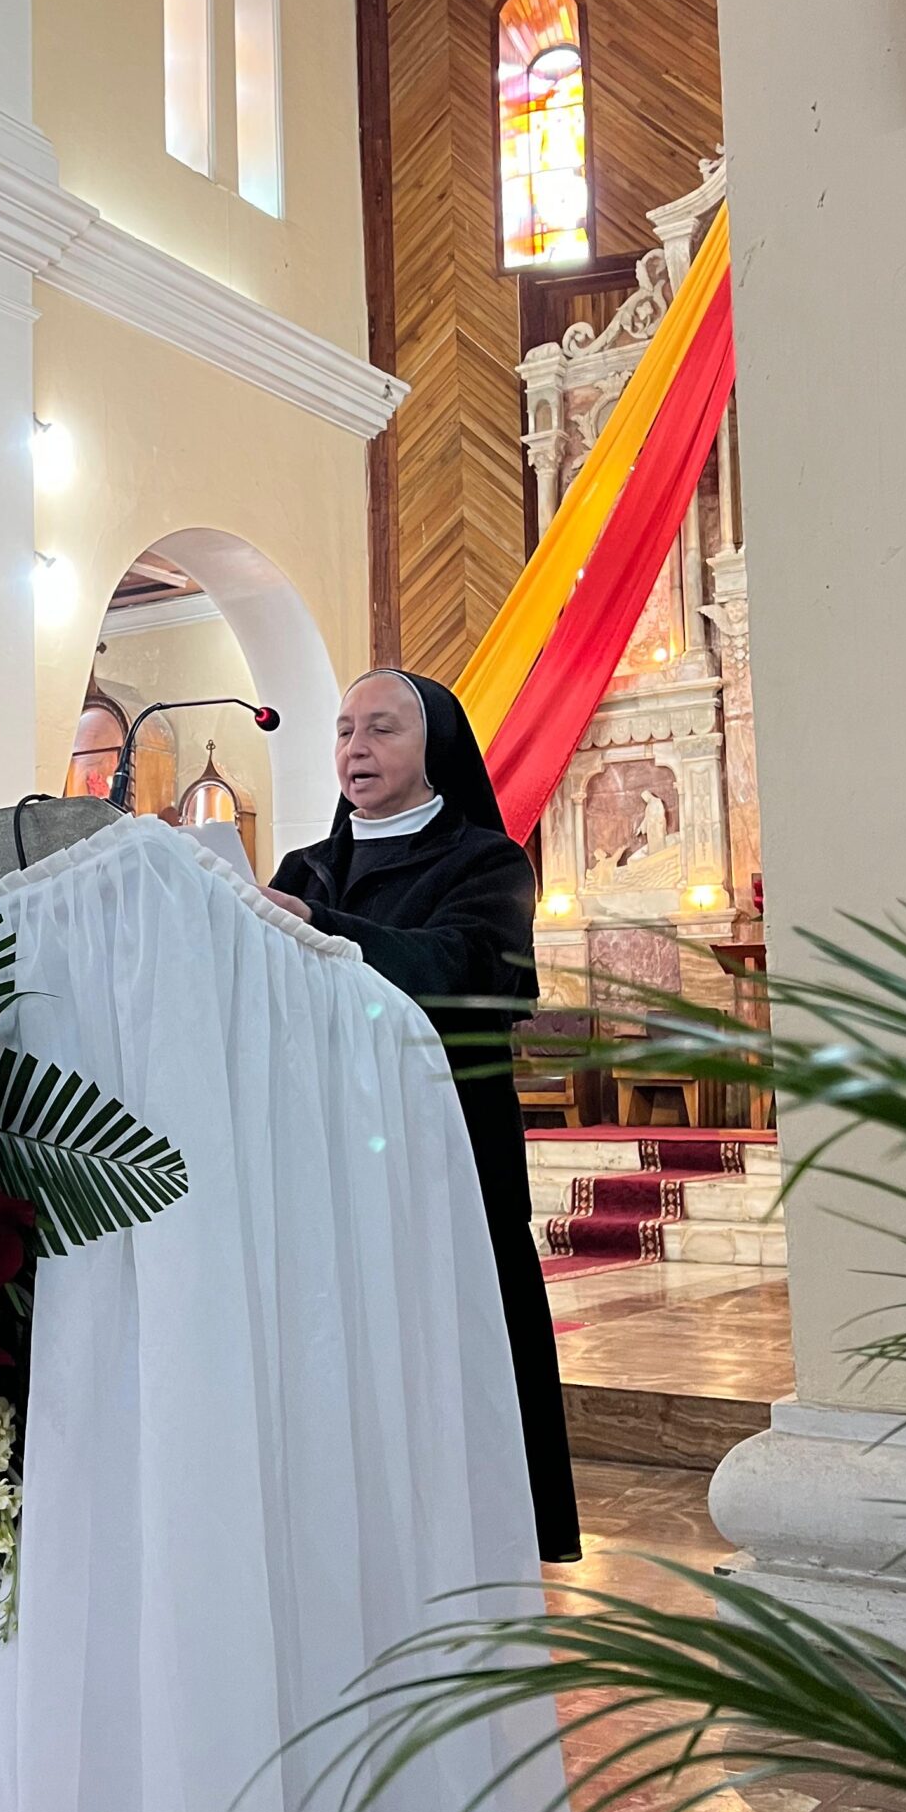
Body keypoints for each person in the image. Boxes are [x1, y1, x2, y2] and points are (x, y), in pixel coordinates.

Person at [264, 668, 581, 1561]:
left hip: (445, 1150)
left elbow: (466, 969)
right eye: (342, 731)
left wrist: (320, 932)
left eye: (381, 730)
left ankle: (470, 1534)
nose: (354, 749)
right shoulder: (307, 868)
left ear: (434, 747)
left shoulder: (486, 860)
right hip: (327, 1148)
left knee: (453, 1348)